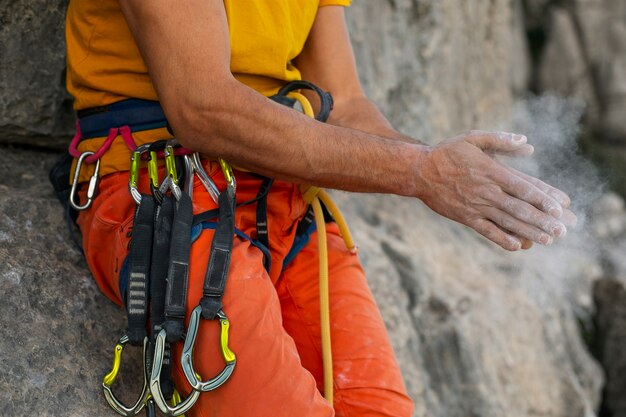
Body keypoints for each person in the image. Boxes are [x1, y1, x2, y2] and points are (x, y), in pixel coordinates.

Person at [64, 1, 576, 416]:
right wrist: (419, 171)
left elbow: (347, 105)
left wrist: (446, 167)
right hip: (167, 195)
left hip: (286, 203)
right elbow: (204, 107)